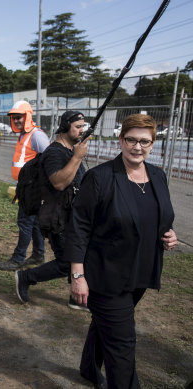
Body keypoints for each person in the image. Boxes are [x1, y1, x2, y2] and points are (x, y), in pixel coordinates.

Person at [66, 114, 178, 389]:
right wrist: (77, 276)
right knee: (123, 345)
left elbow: (158, 214)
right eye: (131, 140)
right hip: (106, 276)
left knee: (105, 326)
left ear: (153, 144)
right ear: (121, 140)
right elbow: (78, 227)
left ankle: (88, 368)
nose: (137, 147)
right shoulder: (100, 178)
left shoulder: (158, 176)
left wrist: (169, 234)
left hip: (141, 271)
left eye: (145, 141)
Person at [14, 111, 89, 310]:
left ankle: (77, 297)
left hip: (74, 217)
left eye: (83, 126)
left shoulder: (70, 151)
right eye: (78, 127)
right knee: (66, 262)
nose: (82, 131)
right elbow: (58, 182)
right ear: (65, 127)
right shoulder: (54, 152)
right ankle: (26, 276)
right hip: (58, 218)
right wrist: (78, 157)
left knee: (82, 257)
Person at [0, 101, 49, 271]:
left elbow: (49, 160)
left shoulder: (37, 135)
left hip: (33, 189)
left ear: (27, 116)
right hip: (27, 186)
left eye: (19, 117)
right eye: (14, 118)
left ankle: (18, 259)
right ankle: (39, 254)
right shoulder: (24, 135)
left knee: (25, 222)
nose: (16, 120)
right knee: (33, 223)